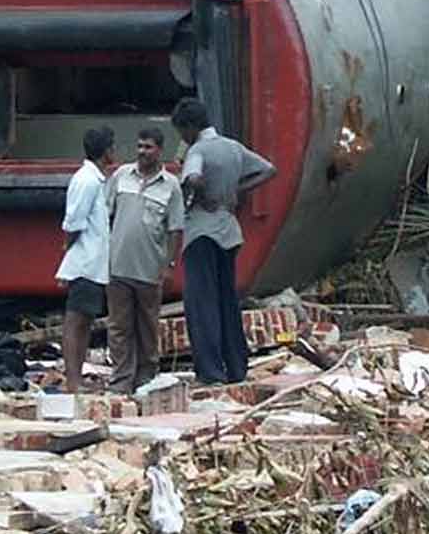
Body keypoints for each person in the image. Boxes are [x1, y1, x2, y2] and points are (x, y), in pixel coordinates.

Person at [171, 97, 276, 385]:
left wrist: (203, 195)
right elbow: (268, 169)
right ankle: (237, 367)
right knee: (226, 299)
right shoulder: (232, 147)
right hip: (229, 230)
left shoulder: (198, 149)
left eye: (182, 131)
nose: (181, 137)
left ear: (190, 127)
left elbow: (192, 177)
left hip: (201, 233)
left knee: (201, 303)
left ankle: (210, 371)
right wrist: (237, 191)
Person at [106, 127, 183, 394]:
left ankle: (146, 380)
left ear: (159, 150)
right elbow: (106, 216)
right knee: (118, 327)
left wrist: (169, 265)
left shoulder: (171, 185)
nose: (142, 152)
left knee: (147, 328)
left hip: (150, 270)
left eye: (148, 147)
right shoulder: (121, 176)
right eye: (139, 146)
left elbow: (175, 229)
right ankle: (121, 381)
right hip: (117, 267)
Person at [56, 126, 114, 393]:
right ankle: (73, 381)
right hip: (85, 262)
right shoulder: (87, 181)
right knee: (76, 321)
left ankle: (76, 377)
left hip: (93, 263)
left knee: (84, 322)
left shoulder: (95, 180)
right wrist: (69, 250)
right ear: (107, 151)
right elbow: (74, 222)